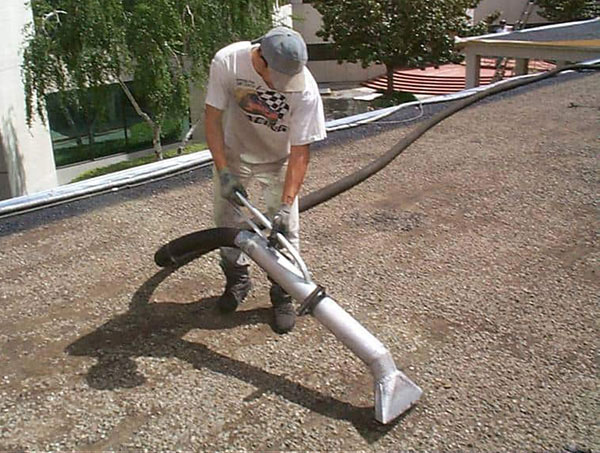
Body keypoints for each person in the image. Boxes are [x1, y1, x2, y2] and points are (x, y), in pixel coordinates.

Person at [204, 26, 326, 334]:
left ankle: (282, 293)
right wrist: (224, 172)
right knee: (227, 225)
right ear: (261, 58)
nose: (285, 87)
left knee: (286, 232)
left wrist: (285, 206)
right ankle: (237, 280)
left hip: (279, 160)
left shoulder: (305, 89)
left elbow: (300, 153)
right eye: (279, 79)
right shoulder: (228, 62)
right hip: (234, 155)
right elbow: (212, 119)